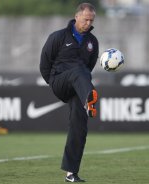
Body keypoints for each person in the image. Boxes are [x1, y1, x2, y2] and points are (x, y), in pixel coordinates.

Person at [39, 2, 99, 183]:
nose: (88, 23)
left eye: (91, 20)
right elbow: (44, 64)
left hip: (78, 88)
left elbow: (90, 66)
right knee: (78, 71)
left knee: (79, 126)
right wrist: (53, 83)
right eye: (86, 19)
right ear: (77, 16)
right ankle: (90, 98)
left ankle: (71, 173)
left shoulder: (92, 42)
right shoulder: (58, 37)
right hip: (59, 82)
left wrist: (82, 86)